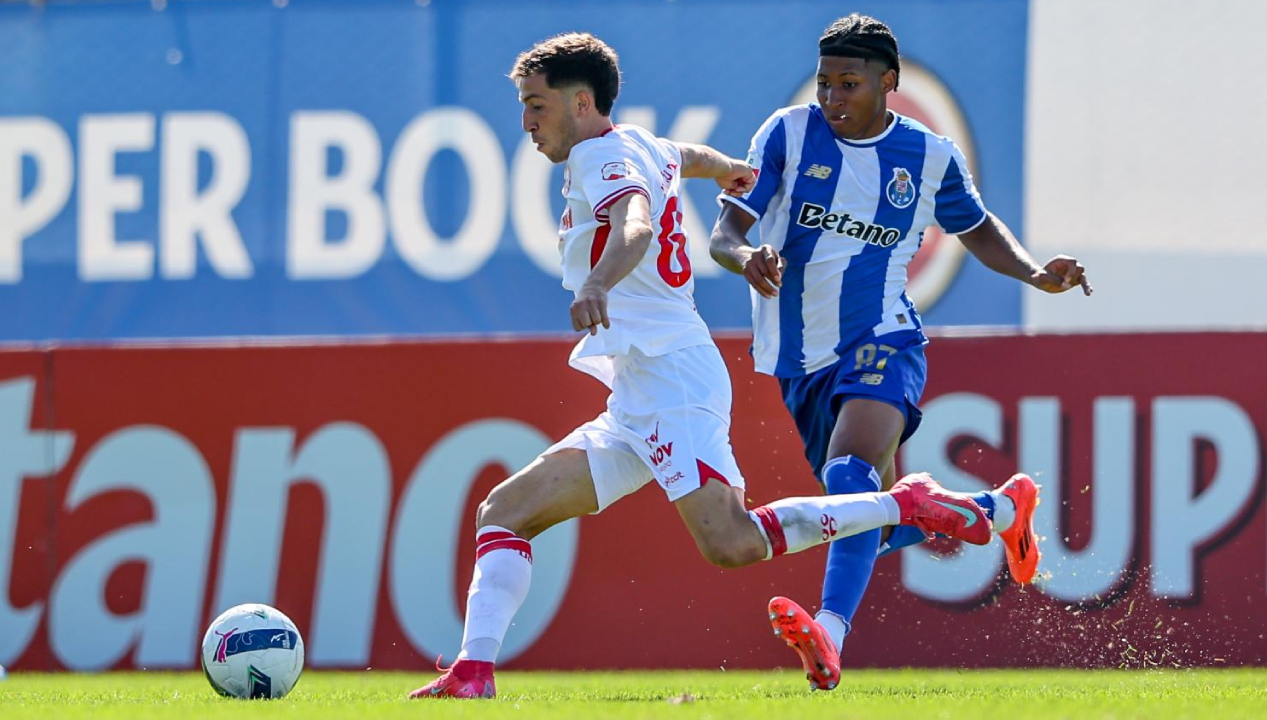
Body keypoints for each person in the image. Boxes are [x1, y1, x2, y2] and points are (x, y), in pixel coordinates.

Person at [409, 31, 994, 700]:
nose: (526, 122)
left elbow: (634, 224)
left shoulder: (602, 158)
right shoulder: (638, 143)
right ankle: (473, 673)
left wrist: (598, 281)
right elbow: (684, 156)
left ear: (580, 103)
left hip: (672, 379)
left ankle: (905, 504)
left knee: (733, 542)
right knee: (505, 510)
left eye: (536, 105)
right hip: (641, 388)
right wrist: (728, 170)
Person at [709, 13, 1092, 689]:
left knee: (850, 478)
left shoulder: (928, 156)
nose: (832, 97)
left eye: (849, 84)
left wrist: (1036, 273)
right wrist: (746, 257)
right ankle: (1001, 510)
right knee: (872, 521)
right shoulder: (787, 134)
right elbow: (725, 231)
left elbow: (977, 228)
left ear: (889, 82)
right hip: (800, 361)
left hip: (884, 337)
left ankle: (829, 634)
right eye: (824, 82)